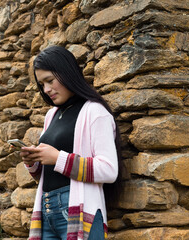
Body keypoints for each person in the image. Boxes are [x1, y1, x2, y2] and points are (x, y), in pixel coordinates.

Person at [20, 45, 121, 240]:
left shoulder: (95, 112)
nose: (47, 89)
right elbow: (47, 174)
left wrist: (57, 157)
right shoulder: (51, 115)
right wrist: (33, 161)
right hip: (46, 210)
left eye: (50, 81)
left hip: (77, 211)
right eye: (42, 84)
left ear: (67, 73)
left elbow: (109, 170)